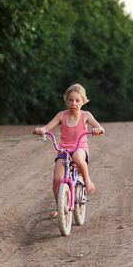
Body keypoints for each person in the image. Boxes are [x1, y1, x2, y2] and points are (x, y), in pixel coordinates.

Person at [33, 83, 104, 217]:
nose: (74, 103)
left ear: (83, 101)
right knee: (57, 178)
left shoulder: (86, 115)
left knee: (77, 157)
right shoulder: (61, 115)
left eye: (77, 100)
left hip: (80, 148)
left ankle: (87, 180)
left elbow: (100, 128)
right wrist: (41, 130)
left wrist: (97, 130)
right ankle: (60, 206)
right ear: (66, 101)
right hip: (64, 151)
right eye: (70, 100)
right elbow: (47, 128)